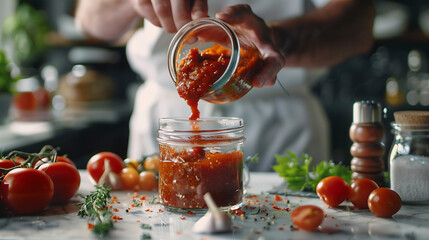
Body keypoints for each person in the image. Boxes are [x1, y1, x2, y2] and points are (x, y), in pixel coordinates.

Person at [75, 0, 375, 170]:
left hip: (280, 124)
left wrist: (279, 40)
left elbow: (360, 23)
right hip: (166, 119)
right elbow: (89, 19)